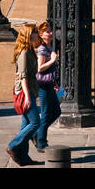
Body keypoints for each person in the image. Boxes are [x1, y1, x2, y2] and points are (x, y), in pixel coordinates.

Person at [7, 24, 43, 166]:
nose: (36, 33)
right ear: (28, 35)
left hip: (30, 90)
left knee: (26, 124)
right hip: (24, 92)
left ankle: (22, 157)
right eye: (34, 32)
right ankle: (13, 145)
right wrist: (28, 97)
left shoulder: (30, 50)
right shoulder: (24, 53)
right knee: (35, 123)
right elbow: (23, 77)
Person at [33, 20, 61, 151]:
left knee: (56, 111)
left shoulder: (49, 46)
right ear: (41, 34)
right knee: (45, 113)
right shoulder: (42, 49)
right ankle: (41, 142)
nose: (50, 33)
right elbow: (40, 68)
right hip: (43, 85)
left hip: (51, 84)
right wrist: (53, 60)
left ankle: (37, 134)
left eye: (50, 30)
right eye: (47, 31)